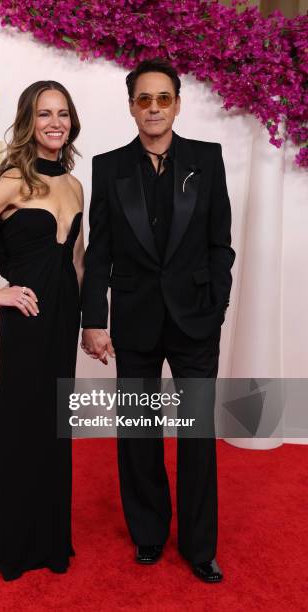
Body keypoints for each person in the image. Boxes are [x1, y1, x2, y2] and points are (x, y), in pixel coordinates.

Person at [81, 58, 235, 583]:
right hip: (134, 317)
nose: (153, 108)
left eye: (162, 98)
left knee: (196, 436)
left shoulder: (207, 159)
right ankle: (148, 533)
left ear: (176, 102)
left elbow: (220, 244)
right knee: (139, 433)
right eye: (143, 99)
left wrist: (218, 306)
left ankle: (199, 546)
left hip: (196, 320)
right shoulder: (107, 167)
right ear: (131, 106)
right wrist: (93, 320)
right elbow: (98, 251)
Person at [0, 80, 84, 580]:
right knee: (25, 427)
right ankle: (15, 545)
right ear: (28, 121)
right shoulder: (14, 181)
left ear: (71, 121)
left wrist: (93, 323)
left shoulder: (73, 182)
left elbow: (78, 260)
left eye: (63, 114)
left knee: (54, 427)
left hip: (64, 318)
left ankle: (49, 541)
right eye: (44, 114)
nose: (55, 123)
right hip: (26, 321)